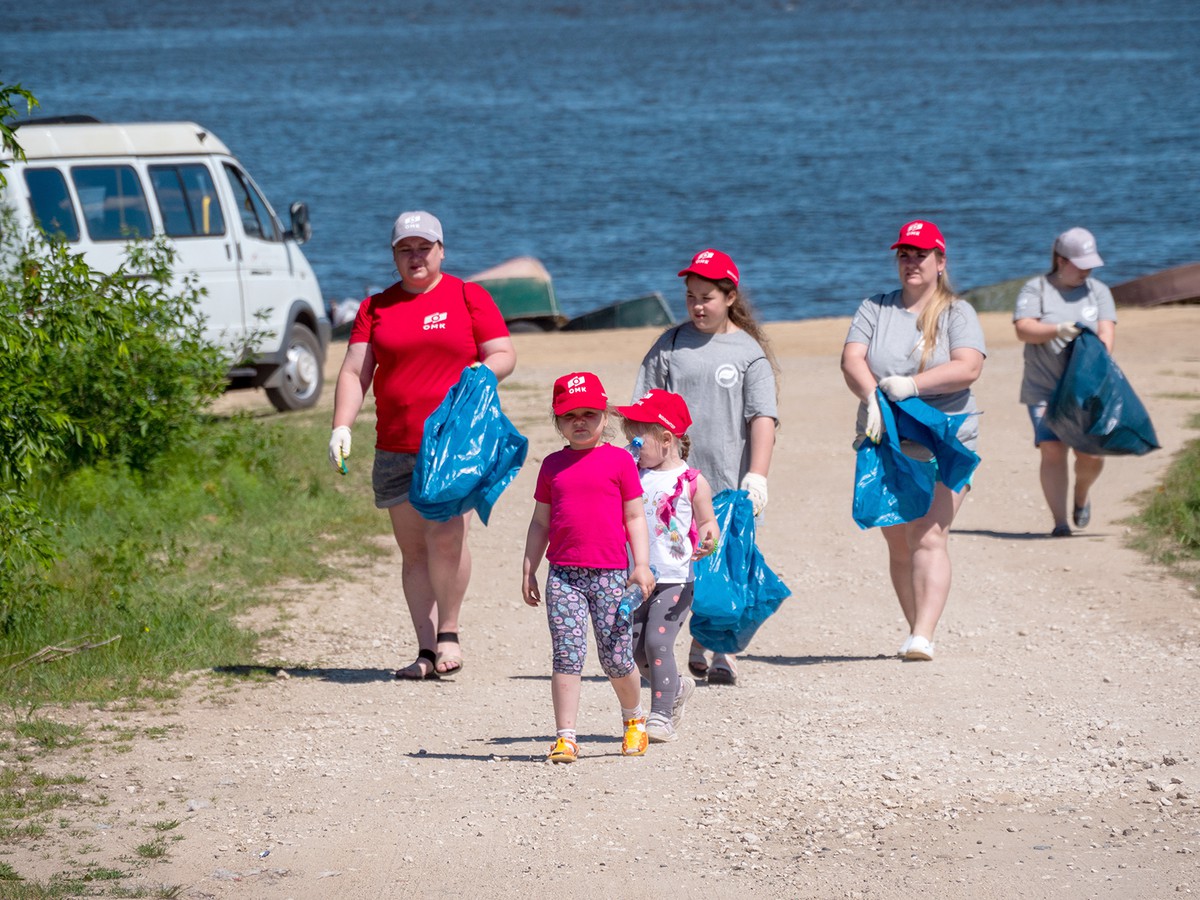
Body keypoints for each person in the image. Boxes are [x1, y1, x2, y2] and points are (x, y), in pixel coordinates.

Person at [328, 210, 516, 679]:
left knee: (447, 538)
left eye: (424, 247)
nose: (415, 257)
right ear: (394, 255)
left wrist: (482, 373)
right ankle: (426, 649)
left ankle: (449, 632)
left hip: (454, 443)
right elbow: (355, 372)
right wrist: (341, 426)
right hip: (395, 443)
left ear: (441, 250)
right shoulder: (376, 308)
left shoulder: (467, 296)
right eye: (405, 249)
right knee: (413, 551)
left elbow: (503, 352)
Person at [840, 220, 986, 661]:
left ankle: (924, 634)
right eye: (904, 254)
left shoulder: (957, 313)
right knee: (898, 540)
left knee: (928, 534)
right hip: (887, 437)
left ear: (940, 262)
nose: (911, 262)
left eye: (921, 254)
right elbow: (852, 358)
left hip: (947, 437)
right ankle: (914, 628)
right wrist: (871, 398)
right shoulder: (874, 307)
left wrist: (913, 385)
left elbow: (968, 366)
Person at [633, 248, 778, 686]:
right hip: (673, 485)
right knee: (681, 565)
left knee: (724, 569)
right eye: (691, 296)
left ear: (730, 296)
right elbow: (641, 412)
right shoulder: (671, 346)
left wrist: (757, 477)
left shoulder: (748, 352)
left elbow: (763, 418)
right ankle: (676, 645)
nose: (698, 306)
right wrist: (635, 462)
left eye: (708, 297)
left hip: (729, 484)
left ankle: (720, 650)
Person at [521, 372, 656, 763]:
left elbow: (634, 517)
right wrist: (530, 568)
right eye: (569, 416)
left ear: (605, 416)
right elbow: (540, 522)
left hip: (611, 574)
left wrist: (641, 565)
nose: (579, 422)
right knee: (566, 655)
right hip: (563, 575)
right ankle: (566, 737)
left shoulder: (619, 461)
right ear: (558, 421)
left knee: (615, 656)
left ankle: (634, 720)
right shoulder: (552, 466)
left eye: (589, 414)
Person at [615, 389, 719, 743]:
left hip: (674, 579)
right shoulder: (632, 475)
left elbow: (707, 521)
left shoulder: (691, 481)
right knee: (633, 648)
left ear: (665, 439)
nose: (631, 446)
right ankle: (674, 689)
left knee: (659, 644)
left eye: (637, 439)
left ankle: (660, 717)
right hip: (636, 578)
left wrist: (709, 538)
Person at [1013, 227, 1117, 537]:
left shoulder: (1098, 291)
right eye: (1080, 263)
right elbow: (1023, 329)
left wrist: (1092, 359)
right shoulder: (1036, 289)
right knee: (1052, 448)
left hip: (1086, 390)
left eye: (1090, 263)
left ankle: (1081, 496)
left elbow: (1107, 334)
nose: (1087, 269)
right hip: (1043, 388)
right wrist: (1057, 329)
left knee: (1091, 455)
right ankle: (1059, 523)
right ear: (1061, 260)